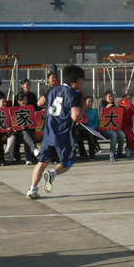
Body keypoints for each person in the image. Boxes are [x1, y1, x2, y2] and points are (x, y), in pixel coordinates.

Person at [27, 65, 86, 199]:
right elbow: (75, 116)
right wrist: (82, 108)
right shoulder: (75, 94)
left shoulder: (53, 90)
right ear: (73, 82)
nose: (82, 83)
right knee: (68, 161)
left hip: (48, 133)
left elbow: (40, 103)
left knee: (42, 161)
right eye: (81, 81)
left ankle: (32, 189)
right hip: (63, 133)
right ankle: (52, 174)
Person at [100, 91, 127, 158]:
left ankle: (120, 152)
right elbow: (100, 116)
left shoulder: (115, 105)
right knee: (114, 135)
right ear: (105, 97)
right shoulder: (102, 105)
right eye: (109, 97)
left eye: (112, 96)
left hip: (114, 127)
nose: (111, 98)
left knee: (122, 134)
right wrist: (106, 109)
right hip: (105, 128)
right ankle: (112, 152)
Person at [76, 96, 100, 161]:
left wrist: (91, 127)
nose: (90, 103)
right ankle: (92, 149)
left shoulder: (94, 111)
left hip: (91, 129)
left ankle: (92, 155)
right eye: (89, 101)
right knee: (81, 134)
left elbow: (97, 123)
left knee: (90, 134)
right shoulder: (81, 111)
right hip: (82, 129)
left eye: (91, 102)